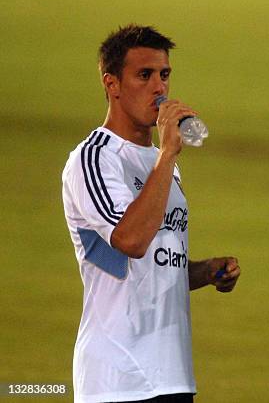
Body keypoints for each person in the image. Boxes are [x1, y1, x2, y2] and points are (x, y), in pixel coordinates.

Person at [61, 24, 241, 403]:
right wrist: (167, 154)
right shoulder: (94, 158)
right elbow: (130, 240)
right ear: (112, 84)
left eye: (164, 75)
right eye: (144, 75)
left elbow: (156, 266)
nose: (159, 88)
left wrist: (205, 271)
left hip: (172, 377)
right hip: (117, 380)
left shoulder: (163, 166)